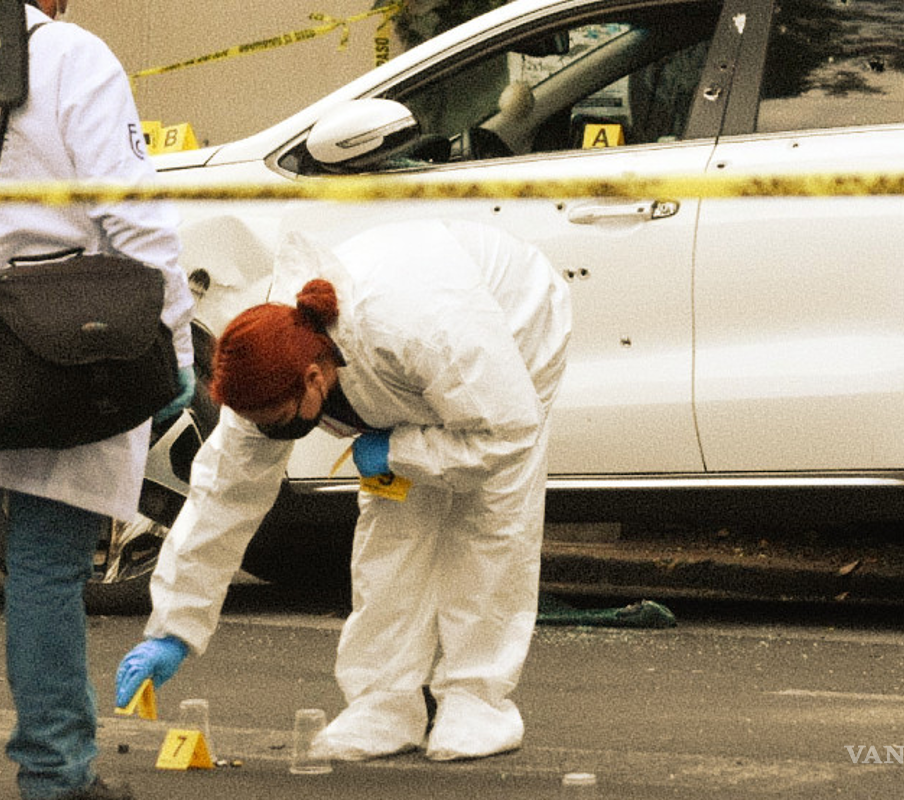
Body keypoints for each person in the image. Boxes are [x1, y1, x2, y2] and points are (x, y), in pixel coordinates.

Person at [116, 218, 571, 762]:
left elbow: (508, 432)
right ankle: (385, 702)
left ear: (313, 379)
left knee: (489, 524)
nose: (269, 434)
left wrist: (403, 451)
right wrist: (172, 628)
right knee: (392, 530)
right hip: (409, 363)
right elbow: (222, 496)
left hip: (512, 328)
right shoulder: (267, 365)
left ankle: (478, 699)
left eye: (279, 421)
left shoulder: (421, 327)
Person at [0, 1, 196, 799]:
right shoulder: (74, 55)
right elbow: (134, 215)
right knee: (45, 568)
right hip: (65, 341)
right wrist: (172, 344)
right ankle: (55, 777)